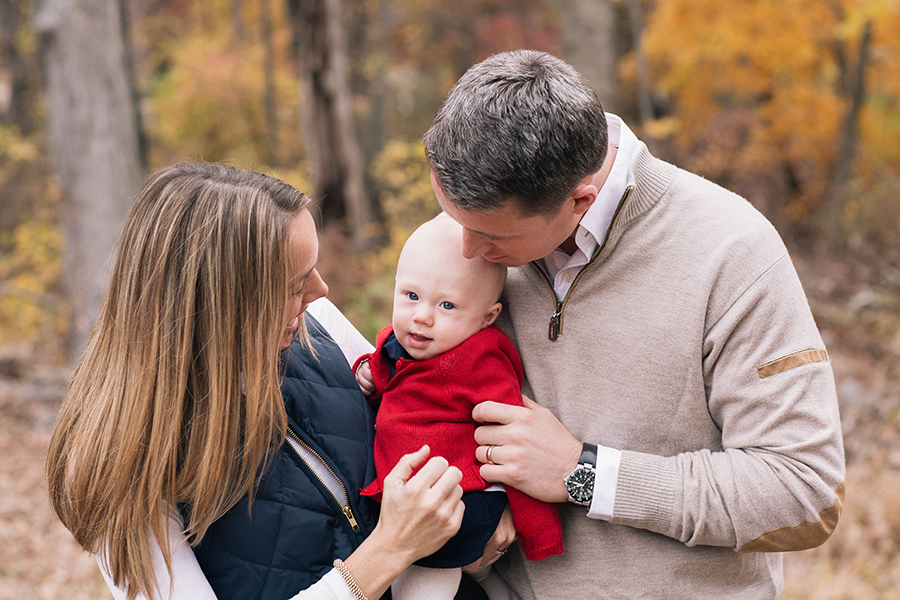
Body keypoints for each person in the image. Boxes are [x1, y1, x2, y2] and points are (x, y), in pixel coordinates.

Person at [422, 50, 846, 599]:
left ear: (579, 201)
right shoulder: (481, 218)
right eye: (452, 218)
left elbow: (804, 492)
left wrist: (586, 474)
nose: (464, 250)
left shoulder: (731, 251)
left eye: (492, 238)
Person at [44, 162, 502, 600]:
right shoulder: (123, 472)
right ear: (221, 304)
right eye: (294, 284)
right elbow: (398, 537)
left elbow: (426, 416)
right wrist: (388, 551)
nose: (321, 291)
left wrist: (481, 524)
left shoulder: (317, 325)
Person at [353, 215, 563, 600]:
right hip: (411, 495)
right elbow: (391, 377)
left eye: (447, 305)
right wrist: (368, 375)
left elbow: (516, 443)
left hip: (455, 501)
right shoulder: (405, 343)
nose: (422, 316)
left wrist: (537, 529)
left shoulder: (478, 364)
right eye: (411, 296)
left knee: (422, 584)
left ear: (487, 318)